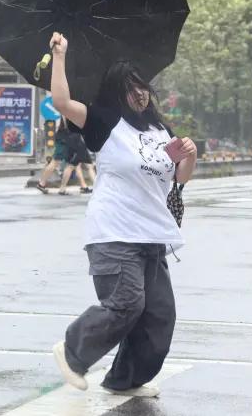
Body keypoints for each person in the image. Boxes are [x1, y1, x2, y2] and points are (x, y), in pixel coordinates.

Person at [47, 32, 197, 397]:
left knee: (159, 315)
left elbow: (177, 178)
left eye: (143, 87)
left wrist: (189, 156)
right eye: (131, 89)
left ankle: (125, 379)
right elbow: (63, 102)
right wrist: (60, 56)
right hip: (114, 233)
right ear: (118, 92)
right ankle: (72, 351)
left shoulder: (161, 130)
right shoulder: (104, 122)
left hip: (152, 237)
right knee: (127, 304)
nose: (140, 94)